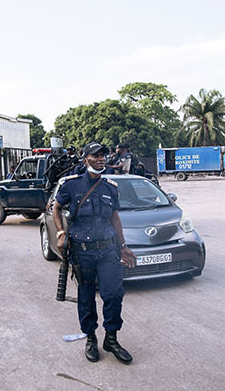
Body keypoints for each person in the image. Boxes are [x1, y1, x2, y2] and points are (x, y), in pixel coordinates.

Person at [52, 142, 137, 364]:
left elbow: (114, 217)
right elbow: (56, 208)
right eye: (96, 155)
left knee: (114, 294)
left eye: (103, 155)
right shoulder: (72, 185)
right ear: (85, 159)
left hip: (108, 250)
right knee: (87, 296)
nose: (101, 159)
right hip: (83, 252)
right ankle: (91, 338)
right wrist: (61, 232)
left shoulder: (110, 187)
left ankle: (111, 338)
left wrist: (123, 245)